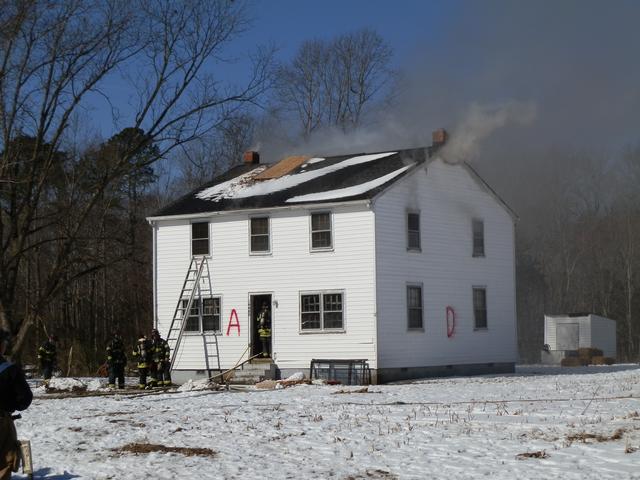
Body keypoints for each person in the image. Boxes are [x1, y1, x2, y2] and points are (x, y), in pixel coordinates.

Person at [0, 329, 33, 480]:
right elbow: (25, 398)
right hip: (2, 421)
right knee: (5, 460)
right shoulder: (9, 370)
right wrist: (10, 405)